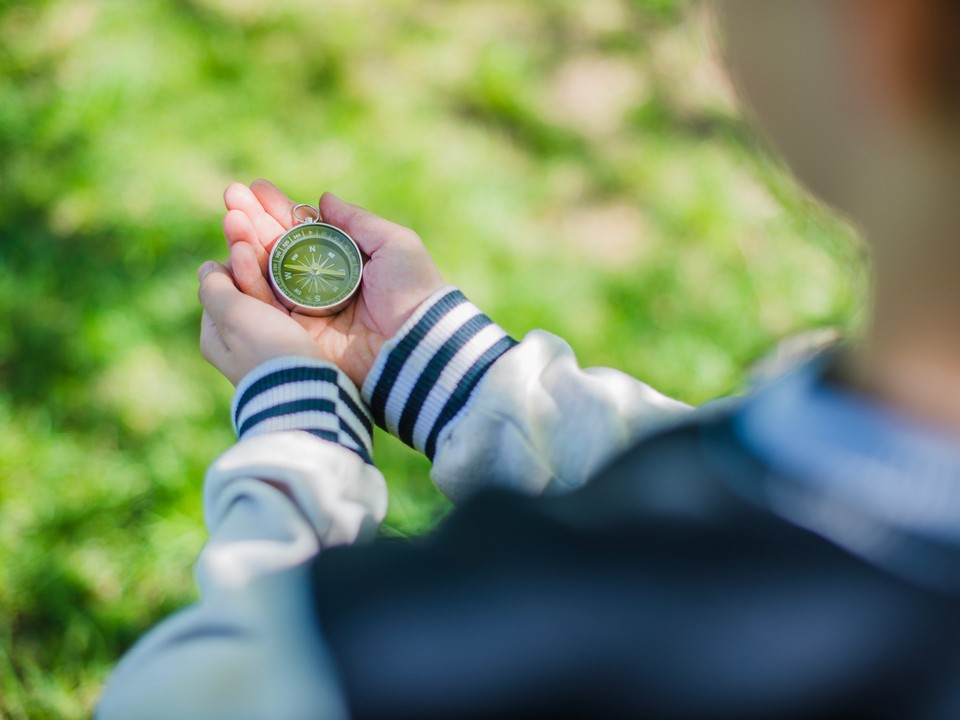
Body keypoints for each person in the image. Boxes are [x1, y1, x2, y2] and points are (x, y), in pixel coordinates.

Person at [98, 1, 960, 718]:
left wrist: (297, 428)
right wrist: (442, 371)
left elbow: (193, 693)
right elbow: (726, 487)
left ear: (883, 28)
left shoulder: (506, 647)